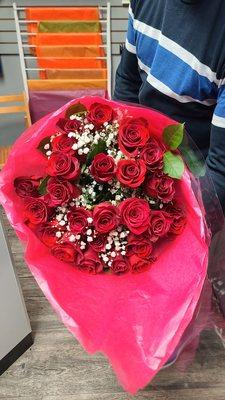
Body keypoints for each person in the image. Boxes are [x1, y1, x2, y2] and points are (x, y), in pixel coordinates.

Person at [114, 0, 225, 211]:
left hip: (198, 185)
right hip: (140, 167)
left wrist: (175, 222)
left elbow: (220, 172)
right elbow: (128, 83)